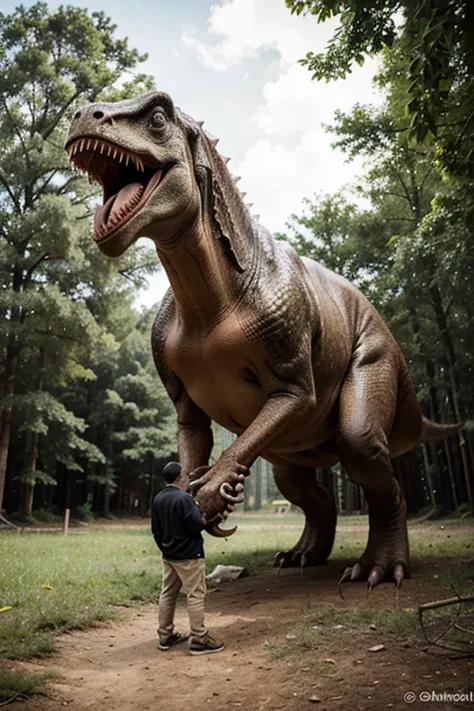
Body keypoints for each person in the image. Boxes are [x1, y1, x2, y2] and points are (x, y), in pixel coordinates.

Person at [151, 461, 225, 655]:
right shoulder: (184, 499)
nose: (186, 478)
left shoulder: (158, 498)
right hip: (190, 556)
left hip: (170, 556)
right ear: (180, 478)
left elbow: (156, 531)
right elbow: (196, 525)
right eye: (185, 476)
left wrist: (166, 549)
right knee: (195, 595)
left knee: (167, 593)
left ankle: (165, 635)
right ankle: (199, 638)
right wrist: (205, 518)